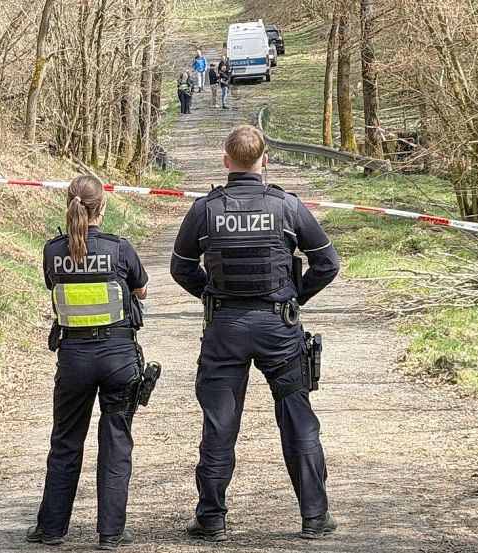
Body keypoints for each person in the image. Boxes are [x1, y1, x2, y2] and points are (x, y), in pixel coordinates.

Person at [170, 125, 341, 541]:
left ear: (226, 161)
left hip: (225, 328)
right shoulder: (288, 207)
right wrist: (292, 297)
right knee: (298, 419)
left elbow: (180, 267)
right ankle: (314, 517)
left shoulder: (204, 209)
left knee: (219, 424)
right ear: (264, 160)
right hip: (278, 329)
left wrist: (213, 294)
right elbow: (328, 264)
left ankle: (211, 519)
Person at [27, 175, 150, 551]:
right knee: (116, 443)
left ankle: (51, 529)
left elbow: (54, 284)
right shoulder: (120, 248)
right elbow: (141, 289)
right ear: (104, 207)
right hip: (117, 357)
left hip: (74, 359)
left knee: (65, 441)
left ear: (69, 204)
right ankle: (111, 532)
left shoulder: (52, 252)